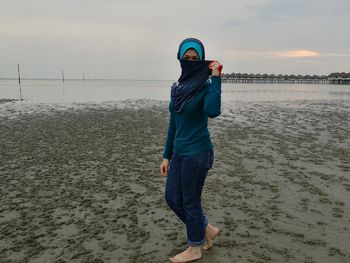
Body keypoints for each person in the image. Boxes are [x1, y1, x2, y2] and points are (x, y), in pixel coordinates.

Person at [160, 37, 222, 263]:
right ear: (179, 58)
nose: (190, 61)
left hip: (198, 152)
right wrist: (167, 155)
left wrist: (216, 79)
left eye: (195, 59)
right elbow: (174, 124)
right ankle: (206, 229)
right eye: (186, 58)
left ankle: (194, 248)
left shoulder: (205, 87)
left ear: (202, 60)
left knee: (190, 200)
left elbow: (213, 111)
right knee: (171, 198)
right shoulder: (177, 89)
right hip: (179, 152)